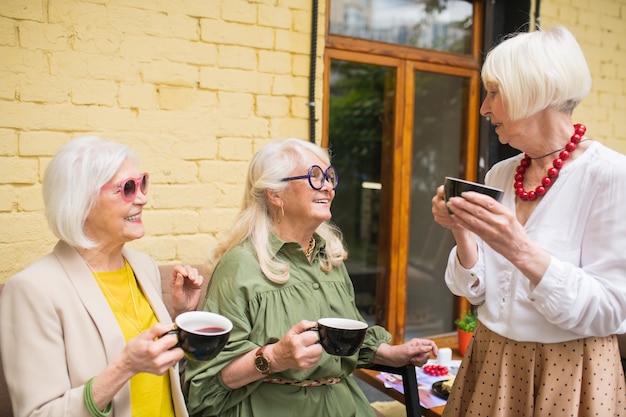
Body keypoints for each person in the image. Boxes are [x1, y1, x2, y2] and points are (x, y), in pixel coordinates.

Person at [431, 25, 626, 416]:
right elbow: (481, 294)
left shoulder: (610, 175)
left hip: (569, 372)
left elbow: (612, 310)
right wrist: (463, 233)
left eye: (494, 92)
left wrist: (518, 248)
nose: (485, 108)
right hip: (490, 358)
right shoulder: (502, 174)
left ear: (532, 92)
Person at [184, 138, 438, 417]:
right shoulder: (240, 266)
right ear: (275, 194)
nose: (328, 187)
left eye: (329, 177)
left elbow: (343, 340)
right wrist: (274, 358)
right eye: (314, 177)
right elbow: (206, 384)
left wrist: (391, 353)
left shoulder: (330, 258)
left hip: (344, 406)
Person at [0, 136, 204, 417]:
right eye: (127, 189)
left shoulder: (143, 266)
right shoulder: (32, 290)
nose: (143, 198)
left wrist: (182, 315)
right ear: (81, 203)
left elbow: (158, 369)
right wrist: (124, 368)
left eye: (142, 182)